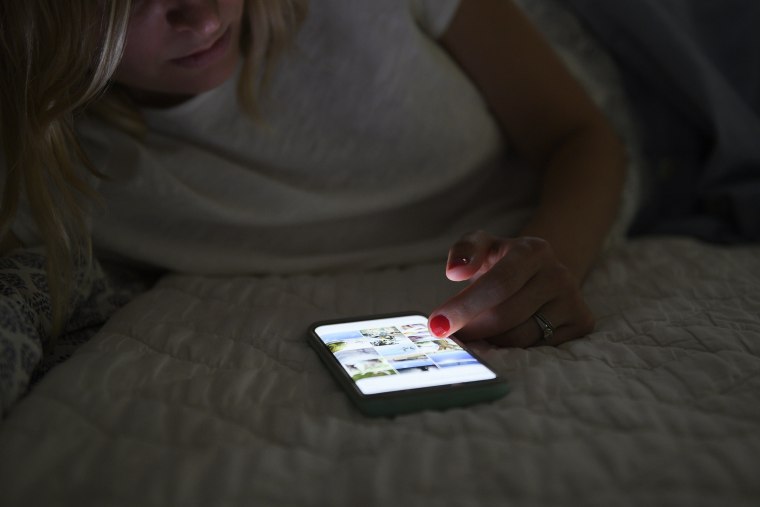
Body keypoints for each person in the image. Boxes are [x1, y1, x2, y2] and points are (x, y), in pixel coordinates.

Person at [0, 0, 627, 349]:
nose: (203, 17)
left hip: (634, 72)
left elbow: (580, 134)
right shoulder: (52, 170)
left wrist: (551, 263)